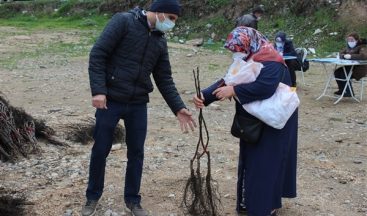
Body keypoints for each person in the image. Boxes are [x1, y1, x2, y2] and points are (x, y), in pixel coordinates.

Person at [82, 0, 196, 216]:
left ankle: (133, 200)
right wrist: (98, 90)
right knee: (100, 150)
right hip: (110, 100)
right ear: (160, 12)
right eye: (171, 18)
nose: (172, 24)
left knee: (136, 153)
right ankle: (92, 197)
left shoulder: (159, 40)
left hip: (138, 103)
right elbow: (98, 54)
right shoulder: (123, 22)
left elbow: (164, 78)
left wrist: (178, 108)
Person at [193, 27, 298, 216]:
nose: (236, 53)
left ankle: (266, 207)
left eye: (238, 49)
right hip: (255, 120)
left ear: (250, 42)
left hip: (273, 121)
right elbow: (228, 80)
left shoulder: (271, 59)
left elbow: (265, 87)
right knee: (252, 161)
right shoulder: (247, 57)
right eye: (233, 50)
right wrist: (205, 96)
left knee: (266, 163)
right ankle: (251, 202)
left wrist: (235, 91)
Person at [334, 32, 367, 96]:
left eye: (352, 40)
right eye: (348, 40)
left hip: (360, 69)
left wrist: (350, 56)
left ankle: (349, 92)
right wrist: (343, 56)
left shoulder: (363, 47)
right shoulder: (348, 47)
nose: (350, 42)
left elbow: (363, 56)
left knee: (344, 73)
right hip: (350, 67)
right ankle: (342, 90)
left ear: (356, 40)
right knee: (337, 72)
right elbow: (340, 54)